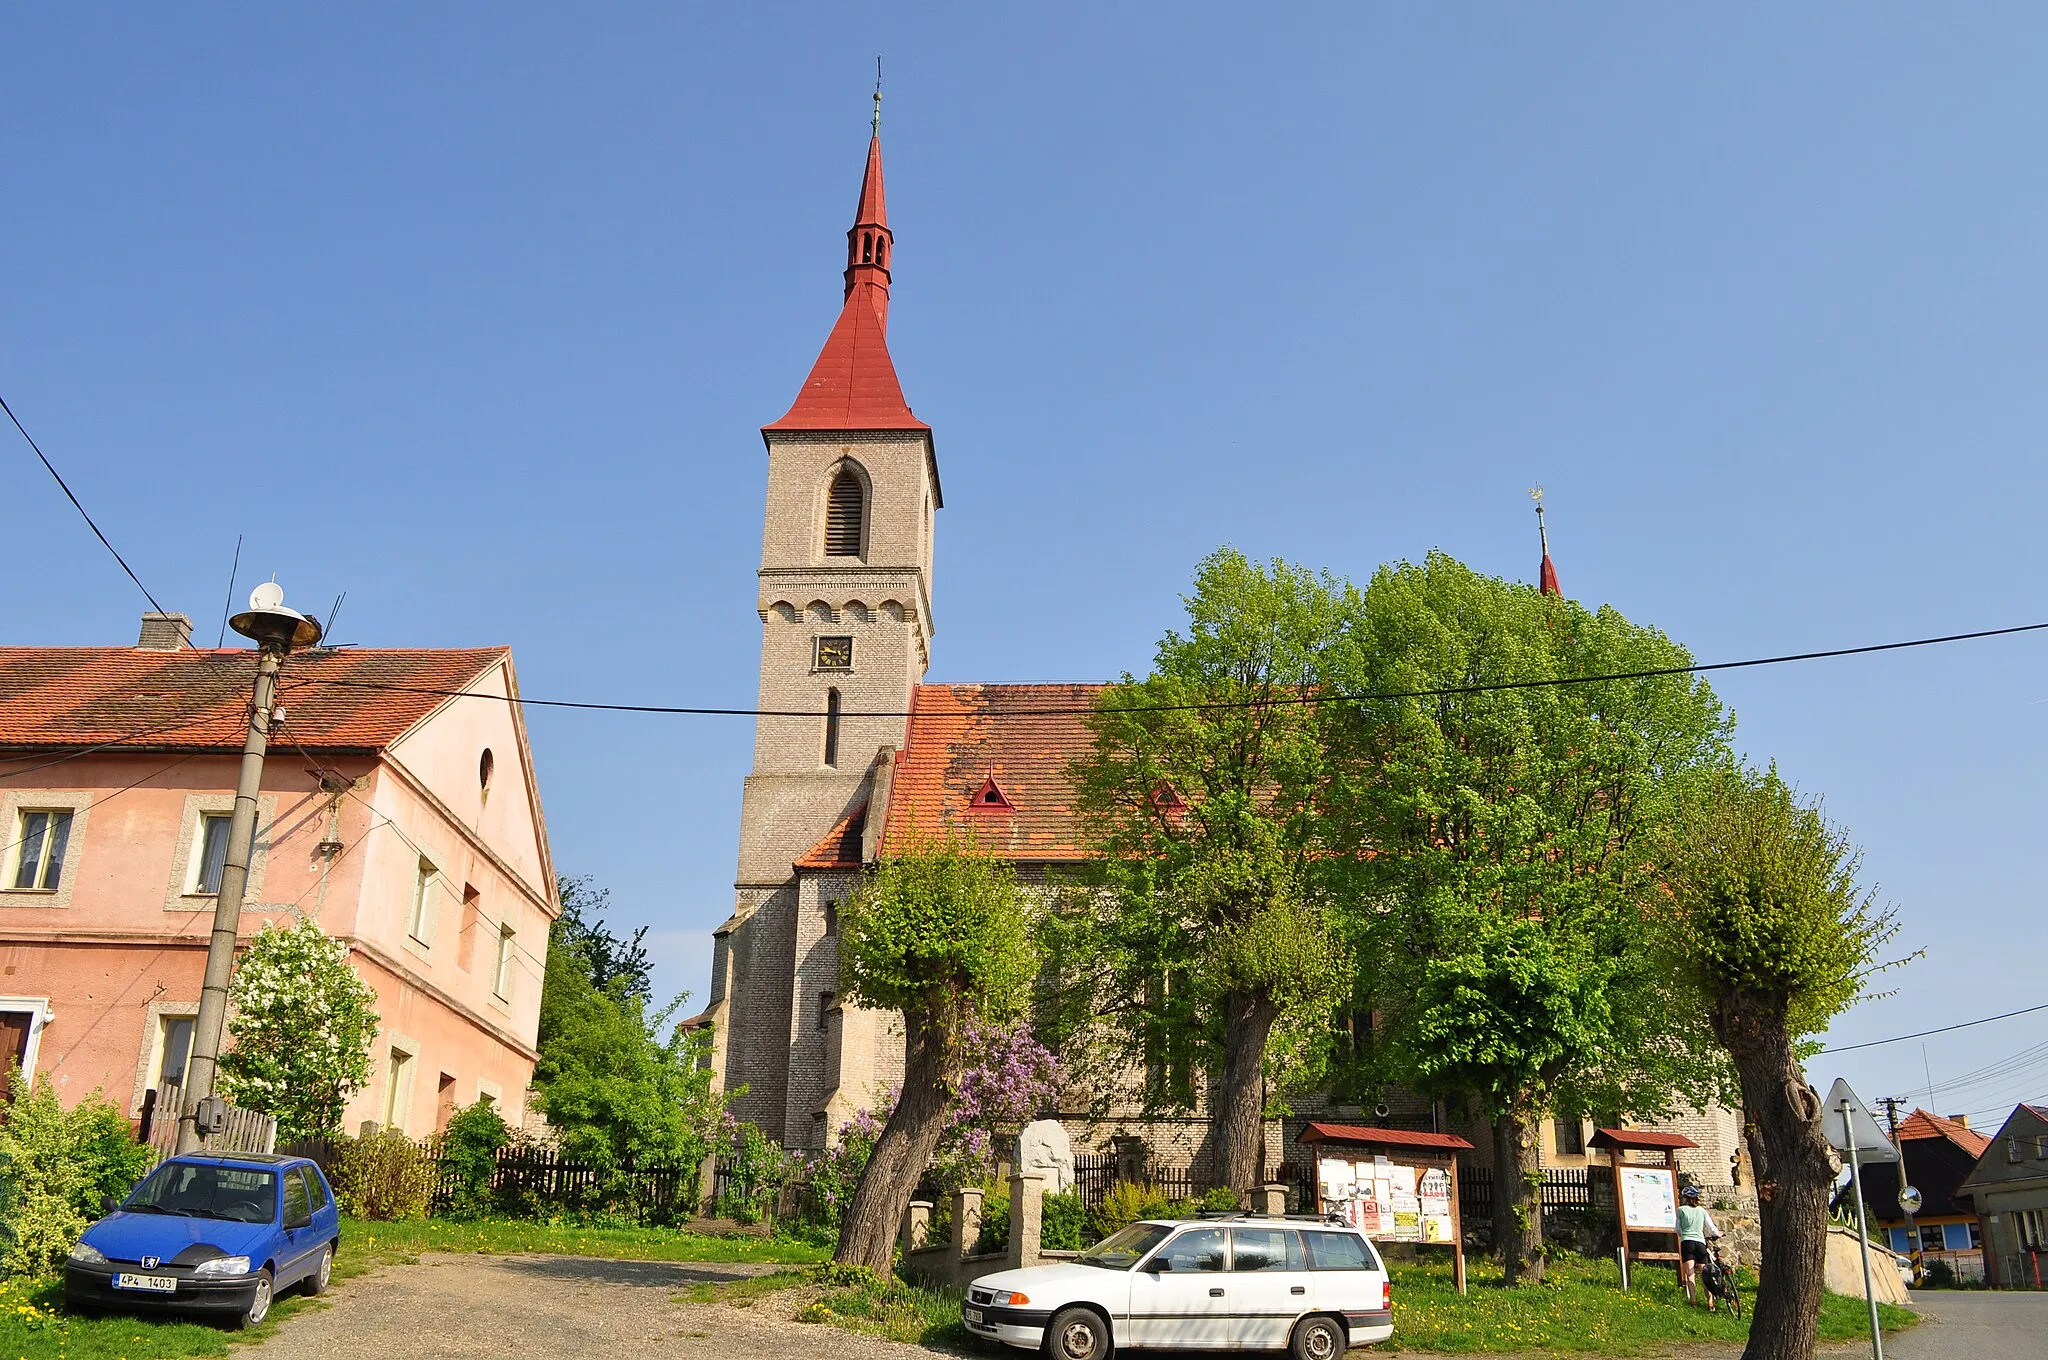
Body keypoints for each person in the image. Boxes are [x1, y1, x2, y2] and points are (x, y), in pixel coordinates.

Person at [1676, 1184, 1723, 1310]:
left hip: (1687, 1242)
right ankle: (1710, 1303)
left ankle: (1693, 1300)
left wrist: (1685, 1233)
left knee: (1690, 1273)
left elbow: (1677, 1229)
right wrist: (1718, 1233)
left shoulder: (1680, 1210)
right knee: (1705, 1274)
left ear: (1685, 1198)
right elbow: (1711, 1227)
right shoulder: (1702, 1211)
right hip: (1700, 1243)